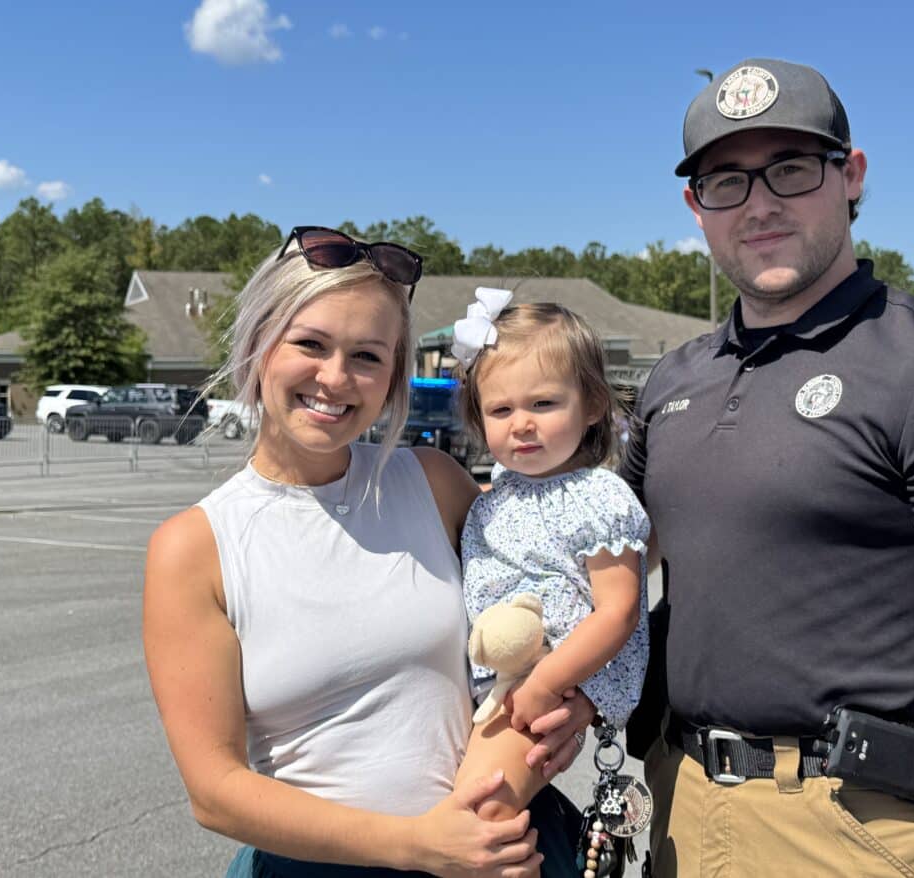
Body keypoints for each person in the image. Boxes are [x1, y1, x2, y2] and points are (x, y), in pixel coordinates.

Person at [620, 58, 914, 877]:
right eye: (727, 181)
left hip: (859, 830)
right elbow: (604, 570)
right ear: (696, 207)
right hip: (680, 807)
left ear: (852, 175)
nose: (759, 203)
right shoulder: (674, 380)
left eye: (791, 169)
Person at [142, 226, 595, 878]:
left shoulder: (434, 484)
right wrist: (419, 846)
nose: (335, 378)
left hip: (504, 849)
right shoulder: (194, 548)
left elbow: (565, 597)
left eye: (366, 356)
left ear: (392, 375)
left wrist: (574, 699)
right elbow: (214, 790)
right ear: (259, 345)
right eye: (310, 344)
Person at [448, 290, 650, 819]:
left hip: (547, 683)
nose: (521, 423)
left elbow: (619, 611)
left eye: (543, 404)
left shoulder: (599, 498)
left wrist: (547, 682)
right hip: (492, 686)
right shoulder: (493, 497)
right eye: (501, 409)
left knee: (483, 808)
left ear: (593, 405)